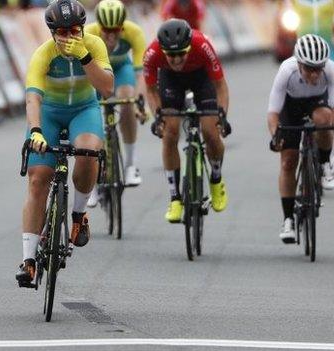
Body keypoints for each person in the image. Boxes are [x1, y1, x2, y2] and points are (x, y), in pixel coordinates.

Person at [15, 0, 113, 285]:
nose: (69, 37)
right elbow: (33, 97)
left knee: (88, 152)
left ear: (82, 28)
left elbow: (106, 88)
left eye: (74, 30)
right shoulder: (43, 55)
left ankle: (79, 214)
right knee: (38, 179)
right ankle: (29, 259)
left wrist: (84, 57)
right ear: (51, 32)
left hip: (84, 110)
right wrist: (35, 131)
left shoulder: (93, 45)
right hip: (49, 114)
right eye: (62, 32)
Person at [143, 19, 230, 223]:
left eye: (181, 53)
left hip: (202, 79)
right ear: (163, 51)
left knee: (211, 132)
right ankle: (175, 197)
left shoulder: (203, 46)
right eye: (171, 55)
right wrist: (157, 115)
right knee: (170, 133)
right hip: (171, 81)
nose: (176, 59)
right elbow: (150, 89)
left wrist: (222, 116)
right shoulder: (153, 52)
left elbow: (221, 87)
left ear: (190, 47)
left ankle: (216, 179)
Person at [266, 34, 334, 243]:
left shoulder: (330, 68)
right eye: (309, 69)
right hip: (290, 106)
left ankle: (324, 162)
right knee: (288, 161)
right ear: (300, 64)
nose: (314, 74)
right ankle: (288, 220)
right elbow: (273, 113)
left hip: (317, 102)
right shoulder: (287, 70)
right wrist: (276, 136)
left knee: (325, 118)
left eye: (318, 68)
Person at [84, 0, 149, 202]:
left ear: (123, 26)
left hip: (121, 70)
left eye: (116, 31)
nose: (111, 36)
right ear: (99, 26)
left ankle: (130, 164)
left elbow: (141, 76)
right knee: (90, 113)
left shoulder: (134, 32)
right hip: (97, 72)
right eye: (106, 31)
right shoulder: (89, 33)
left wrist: (140, 103)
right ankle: (91, 182)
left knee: (127, 98)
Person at [290, 0, 334, 173]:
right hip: (302, 63)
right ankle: (303, 147)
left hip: (329, 61)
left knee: (331, 110)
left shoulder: (329, 2)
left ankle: (332, 153)